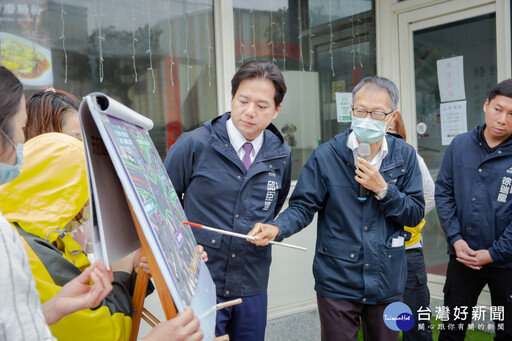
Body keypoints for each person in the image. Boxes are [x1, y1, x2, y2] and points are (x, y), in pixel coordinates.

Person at [0, 67, 204, 341]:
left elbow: (18, 324)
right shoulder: (15, 242)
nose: (23, 143)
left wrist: (55, 307)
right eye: (19, 130)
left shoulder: (47, 227)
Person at [249, 76, 425, 341]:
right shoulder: (327, 155)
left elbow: (414, 212)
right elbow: (303, 206)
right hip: (337, 278)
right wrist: (277, 228)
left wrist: (384, 189)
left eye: (377, 113)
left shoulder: (405, 155)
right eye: (361, 111)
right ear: (351, 111)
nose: (367, 118)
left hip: (387, 276)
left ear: (392, 116)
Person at [164, 60, 292, 340]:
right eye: (243, 100)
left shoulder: (281, 154)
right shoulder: (194, 144)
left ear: (276, 110)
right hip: (201, 279)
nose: (250, 112)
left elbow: (276, 204)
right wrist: (183, 249)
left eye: (261, 105)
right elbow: (163, 209)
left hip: (252, 280)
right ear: (232, 98)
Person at [435, 79, 512, 340]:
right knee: (451, 330)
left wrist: (493, 253)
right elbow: (444, 193)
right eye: (498, 109)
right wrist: (456, 240)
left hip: (507, 262)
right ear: (486, 105)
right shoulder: (460, 145)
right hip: (463, 256)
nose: (503, 119)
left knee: (507, 331)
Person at [388, 113, 434, 340]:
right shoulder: (363, 159)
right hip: (375, 253)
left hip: (409, 250)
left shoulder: (412, 157)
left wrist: (409, 216)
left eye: (391, 132)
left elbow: (431, 196)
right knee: (380, 320)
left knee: (415, 319)